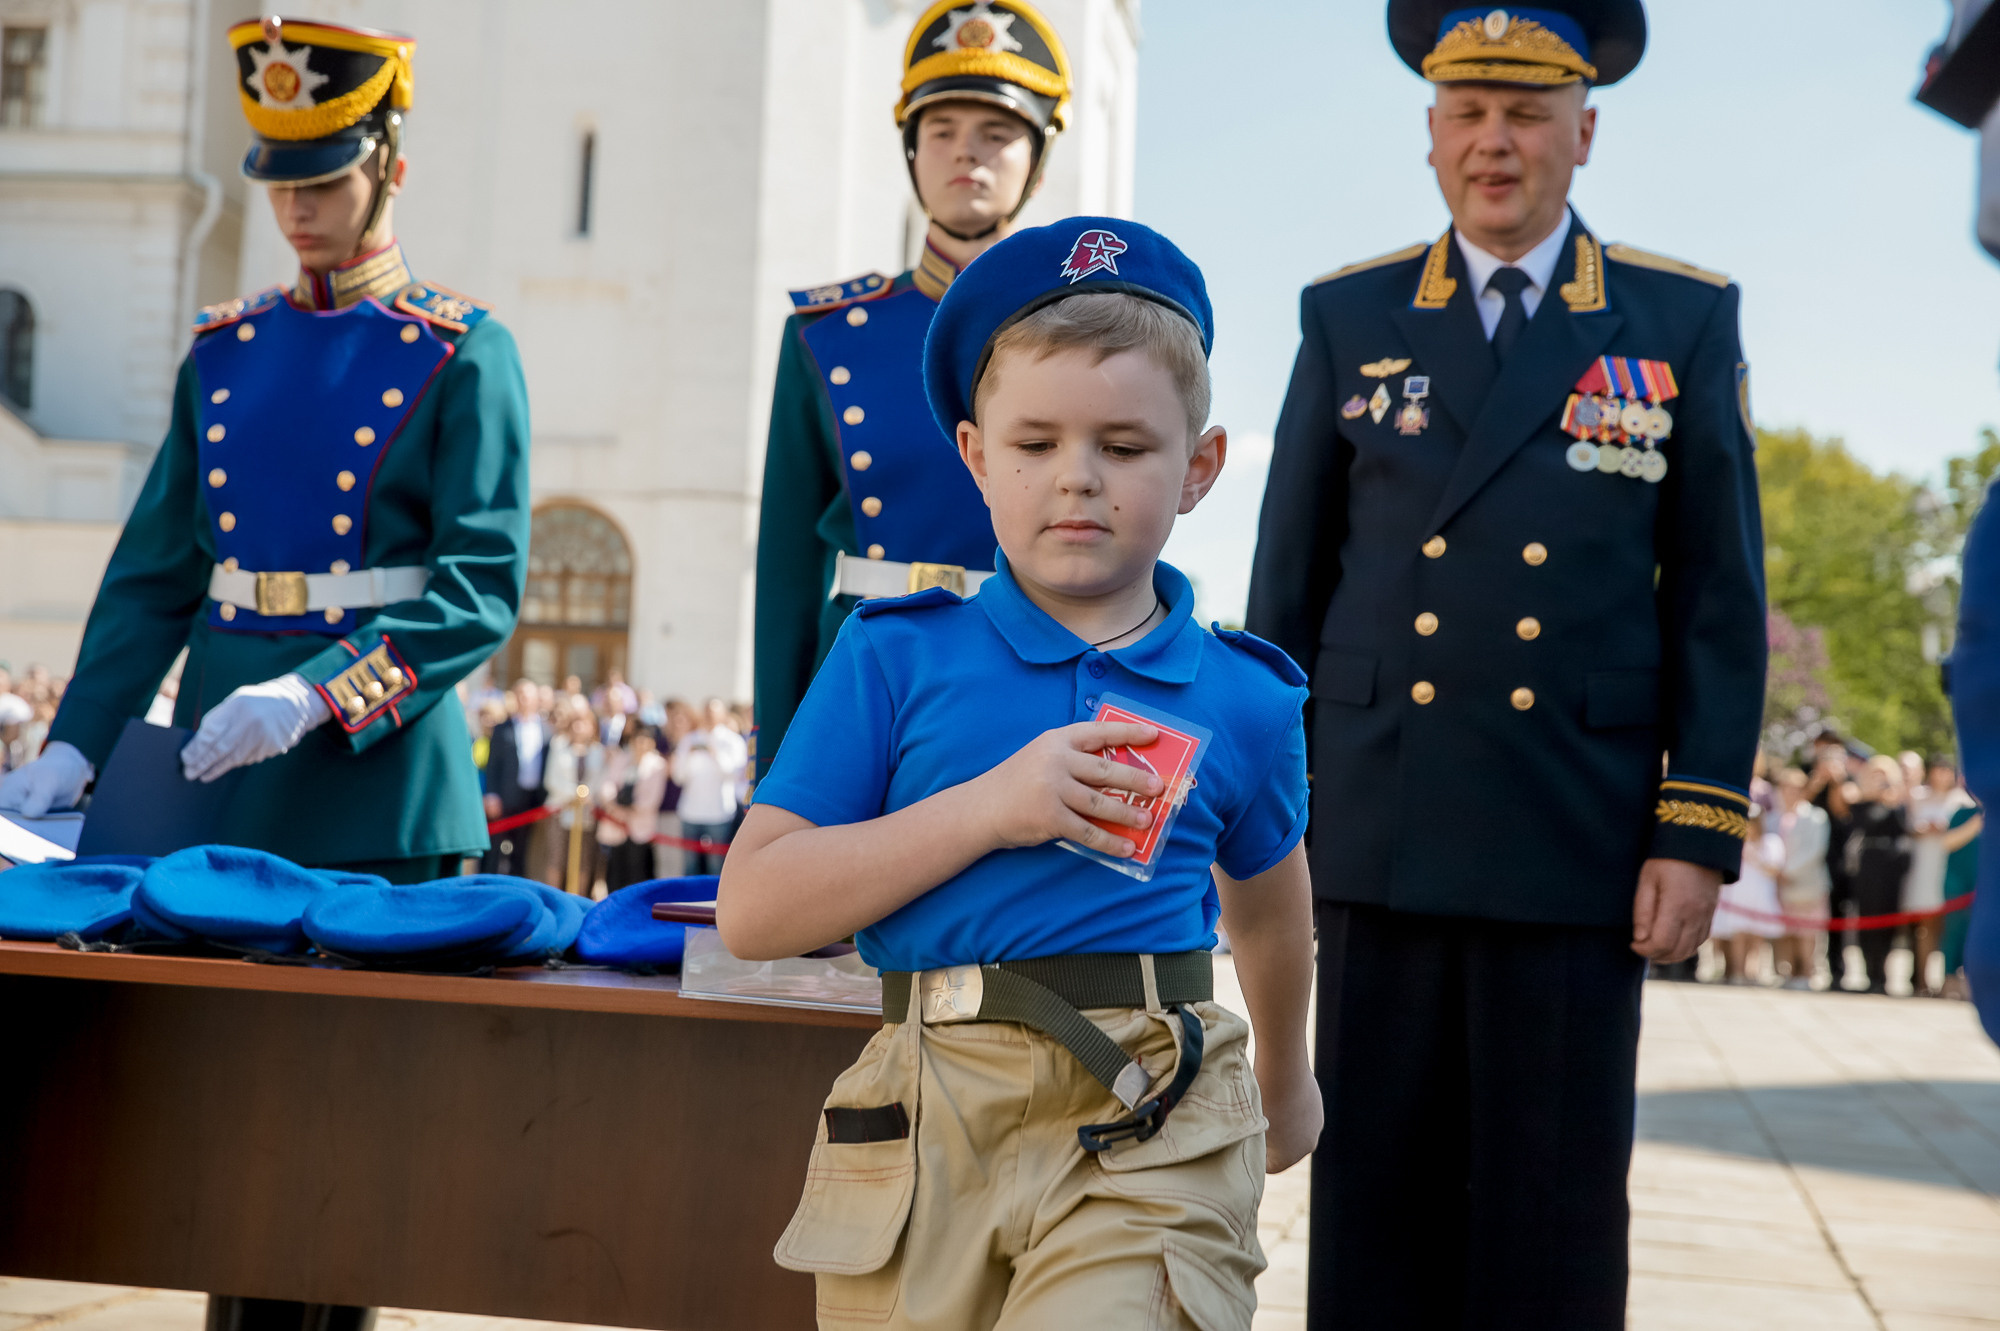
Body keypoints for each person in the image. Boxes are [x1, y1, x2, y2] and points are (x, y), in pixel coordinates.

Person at [0, 18, 529, 1331]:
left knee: (355, 1147)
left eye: (325, 176)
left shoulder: (461, 348)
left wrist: (319, 692)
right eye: (282, 178)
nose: (298, 205)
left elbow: (480, 586)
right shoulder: (223, 351)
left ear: (388, 167)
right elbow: (153, 574)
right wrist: (77, 738)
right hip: (221, 791)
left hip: (374, 789)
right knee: (236, 1138)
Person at [1244, 3, 1767, 1324]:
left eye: (1527, 113)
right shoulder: (1349, 315)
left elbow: (1717, 596)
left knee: (1556, 1210)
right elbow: (1287, 595)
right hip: (1381, 829)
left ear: (1583, 133)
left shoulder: (1678, 319)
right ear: (1428, 135)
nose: (1496, 142)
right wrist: (1269, 820)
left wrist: (1695, 828)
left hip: (1574, 838)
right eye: (1468, 112)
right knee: (1373, 1203)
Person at [719, 217, 1319, 1330]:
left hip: (1157, 1110)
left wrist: (1287, 1083)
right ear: (973, 457)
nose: (1076, 480)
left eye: (1125, 447)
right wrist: (989, 808)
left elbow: (1273, 914)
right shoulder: (893, 655)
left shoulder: (1245, 694)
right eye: (1034, 443)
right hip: (921, 1110)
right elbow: (755, 907)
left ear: (1198, 467)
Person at [753, 0, 1074, 778]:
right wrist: (776, 759)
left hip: (1034, 678)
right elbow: (787, 572)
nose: (967, 153)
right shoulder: (826, 334)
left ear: (1037, 157)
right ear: (910, 151)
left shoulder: (1083, 333)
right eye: (941, 132)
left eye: (996, 133)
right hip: (865, 682)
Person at [1905, 757, 1975, 994]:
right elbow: (1910, 826)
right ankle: (1922, 983)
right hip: (1925, 866)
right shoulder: (1919, 796)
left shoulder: (1963, 801)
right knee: (1926, 925)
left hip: (1952, 868)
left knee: (1952, 928)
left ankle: (1947, 980)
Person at [1846, 756, 1912, 994]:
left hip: (1891, 867)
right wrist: (1877, 799)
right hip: (1868, 865)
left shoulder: (1900, 805)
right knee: (1866, 920)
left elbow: (1904, 829)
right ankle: (1869, 974)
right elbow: (1864, 825)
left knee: (1888, 922)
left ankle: (1883, 975)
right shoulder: (1861, 804)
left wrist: (1893, 801)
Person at [1712, 789, 1784, 983]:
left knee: (1756, 936)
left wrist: (1754, 857)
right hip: (1737, 894)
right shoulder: (1734, 843)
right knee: (1737, 934)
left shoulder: (1771, 842)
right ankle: (1737, 972)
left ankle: (1752, 972)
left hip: (1759, 893)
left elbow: (1774, 869)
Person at [482, 679, 550, 878]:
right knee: (495, 849)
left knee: (523, 850)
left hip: (532, 799)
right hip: (505, 796)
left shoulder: (546, 730)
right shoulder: (502, 728)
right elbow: (492, 764)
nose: (524, 700)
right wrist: (492, 795)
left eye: (528, 696)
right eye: (520, 695)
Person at [671, 698, 747, 876]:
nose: (709, 717)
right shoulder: (690, 739)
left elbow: (735, 774)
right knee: (690, 865)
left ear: (722, 715)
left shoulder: (732, 741)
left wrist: (715, 753)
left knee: (716, 866)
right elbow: (678, 776)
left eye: (713, 713)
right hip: (690, 811)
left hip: (719, 813)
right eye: (707, 712)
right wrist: (689, 757)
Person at [1774, 766, 1831, 989]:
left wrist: (1787, 871)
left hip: (1807, 884)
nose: (1791, 793)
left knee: (1807, 934)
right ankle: (1788, 972)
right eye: (1787, 788)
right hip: (1780, 885)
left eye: (1796, 788)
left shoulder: (1816, 816)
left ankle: (1807, 974)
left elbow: (1815, 850)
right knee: (1786, 932)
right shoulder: (1774, 816)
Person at [598, 724, 668, 892]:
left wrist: (629, 812)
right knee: (615, 869)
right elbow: (608, 784)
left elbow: (651, 798)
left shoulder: (657, 765)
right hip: (616, 823)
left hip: (640, 827)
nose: (640, 743)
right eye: (638, 738)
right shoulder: (622, 759)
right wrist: (611, 805)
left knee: (637, 870)